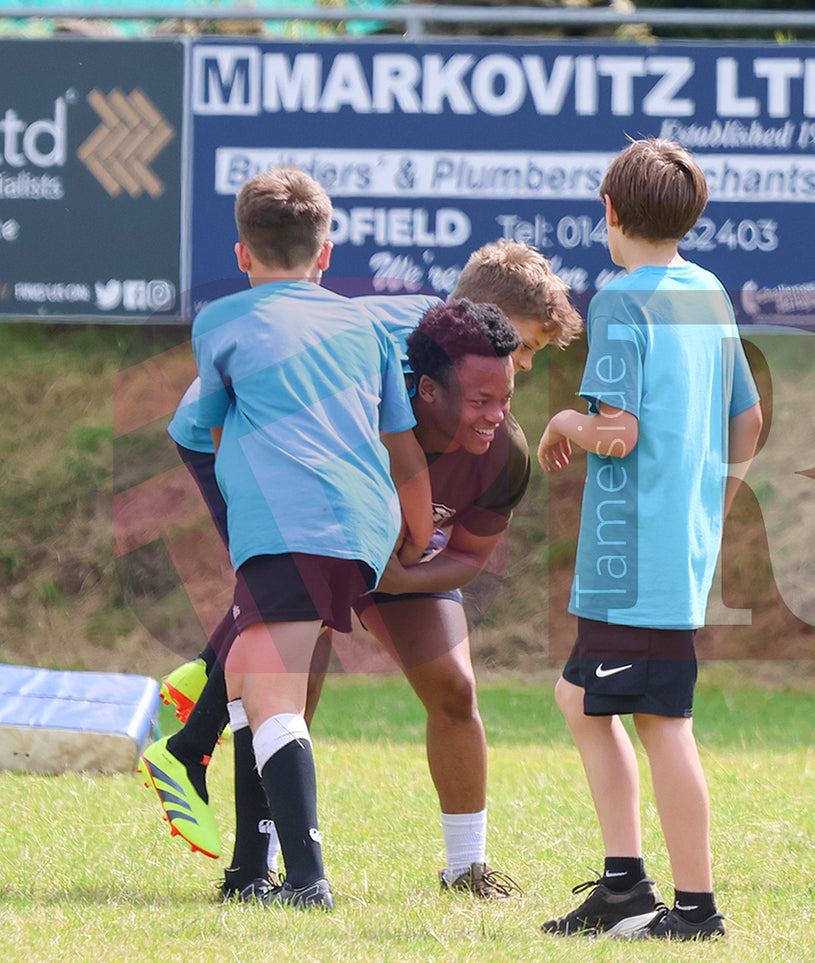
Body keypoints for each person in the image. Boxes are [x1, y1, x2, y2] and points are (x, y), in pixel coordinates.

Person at [142, 241, 583, 900]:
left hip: (381, 551)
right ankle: (255, 852)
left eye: (528, 357)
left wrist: (397, 575)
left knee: (454, 689)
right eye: (519, 345)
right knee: (288, 679)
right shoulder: (377, 343)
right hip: (286, 488)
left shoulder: (500, 441)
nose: (520, 364)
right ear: (473, 319)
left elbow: (467, 555)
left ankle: (466, 865)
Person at [180, 166, 434, 910]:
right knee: (249, 682)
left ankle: (307, 880)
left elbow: (207, 422)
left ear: (240, 254)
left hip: (287, 523)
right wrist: (414, 534)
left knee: (269, 693)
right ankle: (248, 870)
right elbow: (402, 445)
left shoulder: (219, 323)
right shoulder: (363, 324)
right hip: (359, 527)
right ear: (326, 255)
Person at [536, 138, 763, 940]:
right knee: (579, 697)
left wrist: (565, 419)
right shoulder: (707, 290)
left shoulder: (622, 299)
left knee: (662, 722)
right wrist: (705, 505)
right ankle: (624, 883)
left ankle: (694, 908)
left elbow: (619, 433)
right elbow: (749, 419)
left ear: (608, 210)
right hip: (668, 548)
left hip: (635, 552)